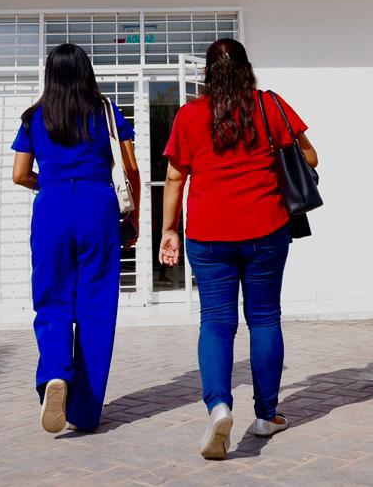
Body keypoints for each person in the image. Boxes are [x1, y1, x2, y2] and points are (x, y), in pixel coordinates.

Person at [159, 38, 318, 459]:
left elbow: (175, 177)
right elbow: (310, 158)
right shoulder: (269, 106)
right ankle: (266, 415)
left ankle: (219, 407)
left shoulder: (189, 115)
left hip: (209, 234)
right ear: (247, 68)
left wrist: (169, 229)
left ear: (205, 74)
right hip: (266, 228)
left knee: (216, 322)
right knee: (264, 319)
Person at [11, 43, 141, 433]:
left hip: (51, 207)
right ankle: (84, 412)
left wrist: (49, 183)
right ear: (87, 71)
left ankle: (55, 371)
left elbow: (19, 174)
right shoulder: (106, 111)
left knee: (52, 298)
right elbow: (131, 168)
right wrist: (132, 216)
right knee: (96, 306)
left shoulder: (34, 117)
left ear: (50, 74)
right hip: (97, 206)